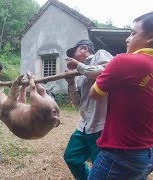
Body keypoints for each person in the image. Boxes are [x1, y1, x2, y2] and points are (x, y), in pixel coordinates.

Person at [89, 12, 153, 179]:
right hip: (149, 154)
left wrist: (106, 73)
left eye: (133, 33)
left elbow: (94, 94)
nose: (127, 39)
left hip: (121, 155)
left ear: (151, 36)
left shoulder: (123, 61)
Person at [63, 39, 113, 180]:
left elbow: (107, 72)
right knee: (71, 157)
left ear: (84, 49)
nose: (72, 57)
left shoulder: (100, 55)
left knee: (101, 168)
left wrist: (78, 65)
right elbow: (78, 103)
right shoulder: (80, 75)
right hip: (84, 126)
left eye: (74, 53)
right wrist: (71, 83)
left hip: (102, 126)